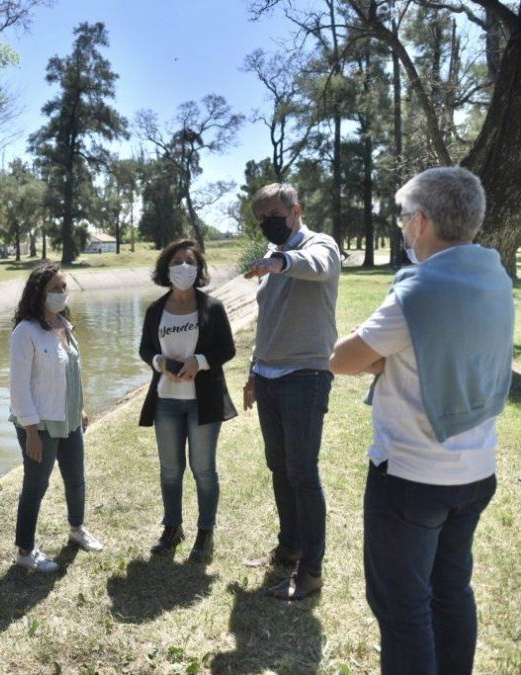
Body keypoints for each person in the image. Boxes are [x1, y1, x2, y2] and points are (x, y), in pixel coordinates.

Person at [330, 167, 513, 674]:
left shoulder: (419, 289)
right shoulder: (494, 275)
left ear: (424, 222)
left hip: (412, 477)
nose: (404, 226)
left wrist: (377, 354)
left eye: (406, 217)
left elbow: (342, 359)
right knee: (452, 590)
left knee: (403, 607)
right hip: (476, 470)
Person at [242, 182, 341, 600]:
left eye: (273, 215)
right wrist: (252, 371)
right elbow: (269, 321)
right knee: (279, 467)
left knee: (302, 473)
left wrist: (280, 261)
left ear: (295, 209)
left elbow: (315, 266)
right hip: (269, 377)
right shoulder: (271, 258)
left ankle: (311, 572)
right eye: (261, 218)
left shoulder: (322, 245)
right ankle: (288, 548)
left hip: (305, 376)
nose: (268, 223)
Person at [138, 239, 237, 562]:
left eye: (190, 262)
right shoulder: (155, 310)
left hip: (202, 401)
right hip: (166, 400)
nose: (184, 267)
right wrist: (159, 363)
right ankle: (172, 527)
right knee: (170, 469)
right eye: (177, 261)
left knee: (203, 468)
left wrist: (200, 361)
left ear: (199, 269)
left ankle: (205, 532)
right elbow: (145, 349)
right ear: (167, 268)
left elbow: (227, 349)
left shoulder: (212, 308)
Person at [9, 261, 103, 573]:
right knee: (35, 486)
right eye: (55, 289)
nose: (62, 293)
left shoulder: (65, 325)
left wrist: (80, 407)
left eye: (64, 287)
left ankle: (77, 530)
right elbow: (19, 387)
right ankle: (25, 550)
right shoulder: (25, 332)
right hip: (40, 423)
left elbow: (71, 372)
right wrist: (31, 431)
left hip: (69, 418)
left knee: (76, 478)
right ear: (39, 294)